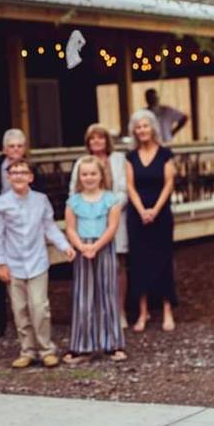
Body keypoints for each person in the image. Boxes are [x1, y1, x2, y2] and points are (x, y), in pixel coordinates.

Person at [0, 158, 75, 369]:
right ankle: (27, 350)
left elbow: (50, 227)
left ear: (30, 177)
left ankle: (46, 349)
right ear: (8, 177)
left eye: (23, 172)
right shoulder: (0, 203)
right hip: (13, 263)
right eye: (14, 172)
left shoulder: (41, 200)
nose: (19, 176)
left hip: (37, 261)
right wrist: (1, 263)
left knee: (39, 307)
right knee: (20, 309)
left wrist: (64, 246)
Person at [64, 155, 127, 363]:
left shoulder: (111, 199)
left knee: (107, 294)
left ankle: (113, 343)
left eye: (93, 174)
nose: (89, 178)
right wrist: (82, 246)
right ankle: (81, 345)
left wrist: (96, 246)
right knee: (84, 295)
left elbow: (112, 227)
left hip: (104, 247)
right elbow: (71, 229)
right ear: (79, 177)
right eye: (85, 174)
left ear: (101, 176)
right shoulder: (73, 202)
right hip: (83, 249)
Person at [0, 128, 42, 337]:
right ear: (4, 148)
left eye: (19, 146)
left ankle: (29, 326)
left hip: (23, 227)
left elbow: (41, 199)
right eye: (11, 146)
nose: (16, 150)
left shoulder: (33, 169)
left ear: (24, 149)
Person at [69, 124, 129, 326]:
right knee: (90, 268)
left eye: (100, 138)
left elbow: (124, 188)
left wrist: (110, 207)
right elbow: (74, 192)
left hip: (114, 217)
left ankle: (118, 311)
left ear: (107, 141)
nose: (96, 142)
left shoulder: (118, 160)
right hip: (87, 222)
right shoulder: (81, 163)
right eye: (92, 138)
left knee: (117, 264)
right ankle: (94, 314)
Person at [125, 109, 179, 332]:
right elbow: (130, 186)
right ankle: (143, 312)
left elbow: (169, 183)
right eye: (138, 127)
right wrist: (141, 211)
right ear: (134, 132)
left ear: (153, 128)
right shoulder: (131, 157)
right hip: (137, 216)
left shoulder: (166, 154)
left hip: (161, 213)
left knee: (164, 260)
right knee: (139, 262)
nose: (142, 130)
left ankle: (167, 310)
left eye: (145, 126)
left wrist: (155, 210)